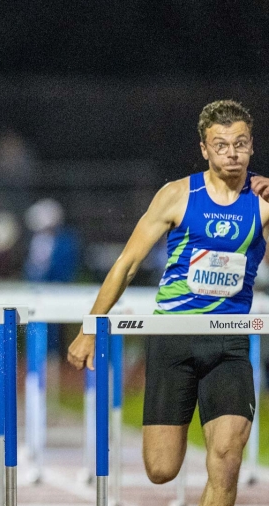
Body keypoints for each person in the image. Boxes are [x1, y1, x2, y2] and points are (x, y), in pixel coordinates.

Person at [67, 100, 269, 505]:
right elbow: (126, 264)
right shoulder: (178, 195)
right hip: (172, 337)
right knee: (161, 469)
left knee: (227, 458)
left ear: (251, 147)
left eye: (240, 144)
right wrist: (91, 327)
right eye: (222, 145)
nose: (232, 153)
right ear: (204, 149)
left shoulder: (263, 202)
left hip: (229, 341)